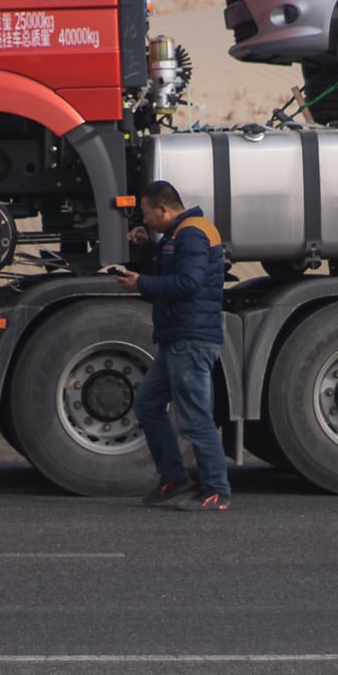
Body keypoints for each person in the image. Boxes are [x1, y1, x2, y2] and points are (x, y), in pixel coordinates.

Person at [115, 179, 232, 512]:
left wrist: (141, 284)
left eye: (146, 213)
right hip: (177, 339)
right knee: (148, 406)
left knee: (194, 418)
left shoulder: (192, 233)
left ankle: (215, 491)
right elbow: (176, 267)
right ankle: (174, 479)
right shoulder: (179, 234)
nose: (145, 219)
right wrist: (147, 247)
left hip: (190, 338)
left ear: (163, 209)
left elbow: (188, 282)